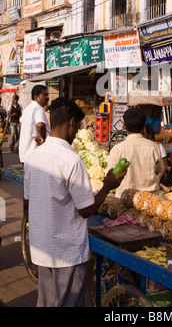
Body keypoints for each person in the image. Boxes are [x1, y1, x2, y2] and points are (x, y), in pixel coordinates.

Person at [23, 97, 126, 307]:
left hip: (42, 248)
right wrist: (108, 185)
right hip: (66, 252)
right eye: (78, 126)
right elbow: (86, 209)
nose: (78, 132)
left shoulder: (34, 157)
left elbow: (27, 200)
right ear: (71, 122)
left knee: (47, 302)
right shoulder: (71, 160)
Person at [107, 108, 162, 198]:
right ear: (144, 126)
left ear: (124, 126)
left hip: (125, 199)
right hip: (150, 200)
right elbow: (159, 170)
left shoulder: (117, 149)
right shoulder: (153, 146)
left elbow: (111, 175)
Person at [19, 85, 50, 164]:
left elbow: (21, 122)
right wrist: (43, 138)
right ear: (36, 97)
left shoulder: (28, 108)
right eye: (44, 95)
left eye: (47, 95)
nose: (47, 97)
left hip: (26, 154)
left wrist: (29, 131)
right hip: (35, 153)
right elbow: (40, 125)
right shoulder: (38, 108)